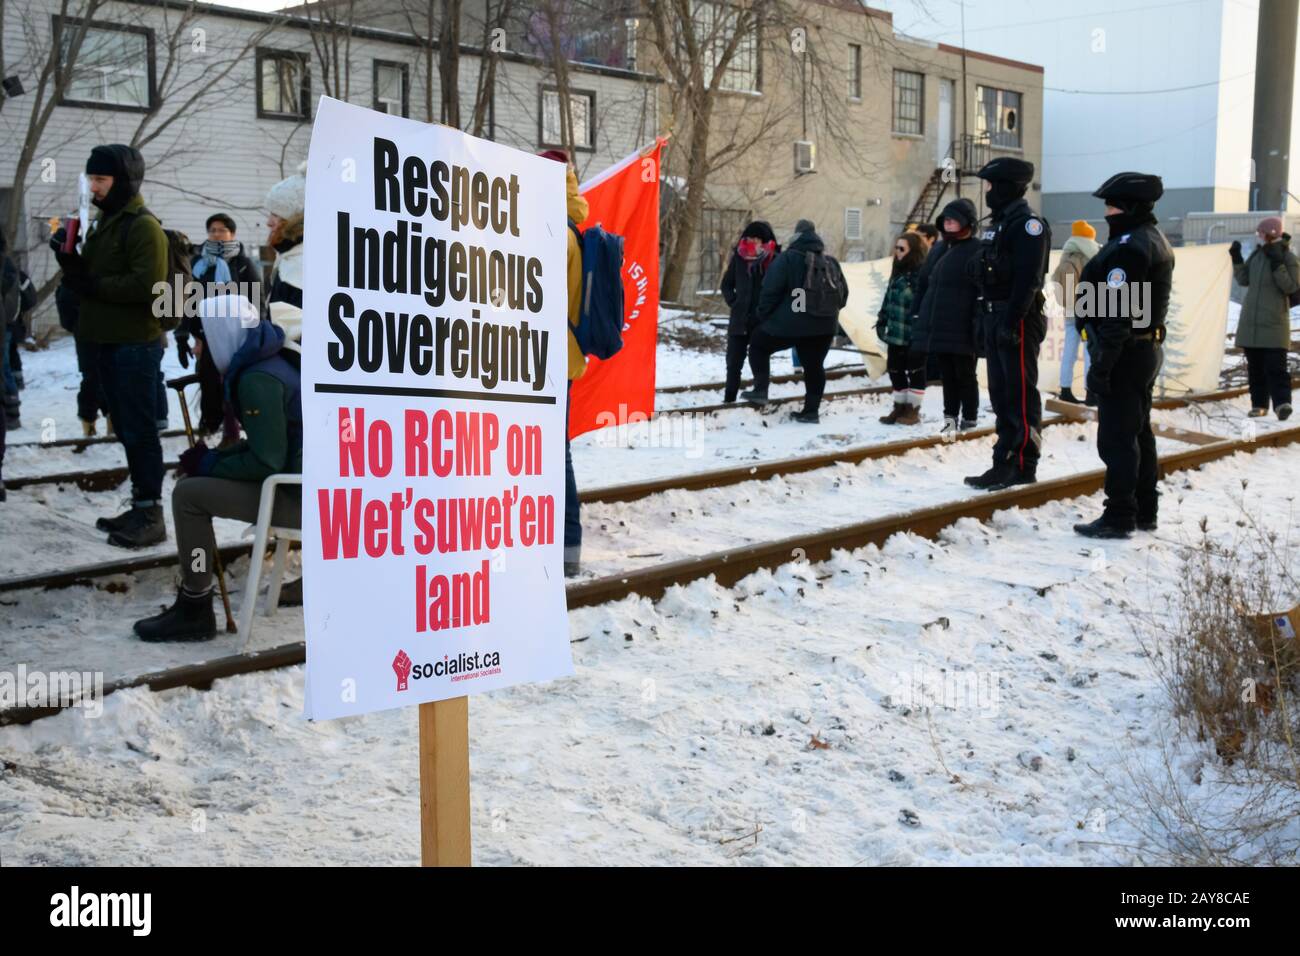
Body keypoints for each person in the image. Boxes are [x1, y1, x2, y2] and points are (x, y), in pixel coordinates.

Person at [133, 295, 301, 641]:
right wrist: (215, 460)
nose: (195, 350)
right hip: (306, 488)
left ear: (220, 337)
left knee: (188, 497)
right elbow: (269, 446)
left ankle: (195, 606)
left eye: (200, 340)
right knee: (194, 488)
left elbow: (266, 461)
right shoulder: (269, 358)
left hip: (302, 502)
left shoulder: (257, 379)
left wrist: (209, 463)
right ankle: (194, 600)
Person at [51, 144, 169, 547]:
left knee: (140, 431)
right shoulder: (105, 223)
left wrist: (93, 285)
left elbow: (147, 286)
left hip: (135, 343)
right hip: (107, 340)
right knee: (127, 429)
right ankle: (140, 505)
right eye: (92, 179)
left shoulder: (142, 225)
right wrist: (70, 261)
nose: (94, 187)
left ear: (124, 181)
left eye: (101, 180)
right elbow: (94, 275)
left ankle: (151, 513)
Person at [1073, 172, 1175, 539]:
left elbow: (1119, 312)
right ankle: (1145, 509)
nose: (1107, 212)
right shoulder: (1151, 239)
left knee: (1117, 438)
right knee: (1138, 433)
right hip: (1142, 348)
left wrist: (1102, 364)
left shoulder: (1130, 247)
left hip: (1125, 352)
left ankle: (1119, 515)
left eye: (1112, 205)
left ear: (1130, 207)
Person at [964, 157, 1051, 491]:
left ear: (1007, 186)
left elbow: (1029, 280)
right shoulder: (998, 223)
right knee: (1001, 393)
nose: (987, 192)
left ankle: (1022, 461)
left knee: (1019, 392)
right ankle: (1003, 461)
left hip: (1017, 317)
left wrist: (1011, 321)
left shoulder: (1028, 225)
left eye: (991, 185)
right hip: (994, 313)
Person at [536, 148, 588, 577]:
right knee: (551, 451)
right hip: (557, 357)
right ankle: (559, 543)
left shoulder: (552, 232)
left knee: (553, 454)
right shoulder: (568, 226)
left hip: (544, 359)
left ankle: (567, 545)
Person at [740, 219, 849, 423]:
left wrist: (762, 316)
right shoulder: (831, 262)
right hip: (825, 326)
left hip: (791, 325)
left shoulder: (787, 259)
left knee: (758, 345)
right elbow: (843, 297)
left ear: (796, 236)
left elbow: (770, 292)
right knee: (814, 365)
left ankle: (760, 391)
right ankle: (811, 411)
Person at [187, 213, 263, 446]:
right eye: (212, 230)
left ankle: (236, 430)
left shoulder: (242, 263)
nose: (216, 235)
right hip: (209, 333)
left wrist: (255, 331)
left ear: (232, 233)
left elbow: (256, 299)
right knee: (209, 382)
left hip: (238, 333)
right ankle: (210, 425)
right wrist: (193, 335)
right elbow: (190, 300)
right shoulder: (199, 264)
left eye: (221, 230)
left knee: (235, 383)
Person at [910, 198, 982, 434]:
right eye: (946, 221)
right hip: (938, 323)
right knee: (947, 376)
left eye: (954, 221)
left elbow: (981, 290)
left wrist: (977, 322)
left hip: (963, 325)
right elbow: (923, 284)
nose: (949, 225)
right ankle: (950, 421)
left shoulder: (977, 249)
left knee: (965, 375)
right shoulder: (938, 249)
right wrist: (916, 313)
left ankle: (969, 420)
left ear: (967, 223)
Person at [1232, 216, 1298, 420]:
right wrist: (1237, 259)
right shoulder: (1258, 254)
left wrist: (1277, 264)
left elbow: (1291, 286)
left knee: (1275, 367)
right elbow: (1244, 280)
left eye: (1260, 233)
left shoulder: (1288, 257)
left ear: (1270, 234)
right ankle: (1259, 405)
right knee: (1256, 368)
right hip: (1252, 322)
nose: (1258, 237)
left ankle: (1282, 404)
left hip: (1274, 321)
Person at [719, 221, 779, 403]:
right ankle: (729, 398)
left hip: (761, 320)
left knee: (759, 357)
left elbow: (781, 289)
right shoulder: (739, 257)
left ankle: (761, 393)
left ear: (765, 240)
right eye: (750, 237)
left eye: (758, 238)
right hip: (739, 319)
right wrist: (734, 302)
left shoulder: (775, 259)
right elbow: (727, 284)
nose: (753, 242)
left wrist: (770, 310)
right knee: (733, 362)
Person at [876, 231, 928, 425]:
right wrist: (882, 320)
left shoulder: (920, 274)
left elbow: (924, 303)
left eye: (902, 248)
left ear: (912, 251)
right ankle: (899, 407)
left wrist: (921, 330)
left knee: (915, 370)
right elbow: (888, 298)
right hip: (896, 332)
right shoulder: (897, 271)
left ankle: (913, 409)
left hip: (913, 332)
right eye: (896, 247)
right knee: (895, 369)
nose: (897, 252)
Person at [1053, 220, 1100, 405]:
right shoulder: (1092, 253)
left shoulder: (1067, 253)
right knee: (1090, 351)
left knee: (1069, 352)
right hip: (1088, 311)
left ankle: (1065, 389)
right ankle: (1091, 393)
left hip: (1070, 309)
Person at [264, 164, 306, 342]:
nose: (268, 222)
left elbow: (286, 336)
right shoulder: (289, 257)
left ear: (295, 221)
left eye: (276, 214)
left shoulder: (302, 265)